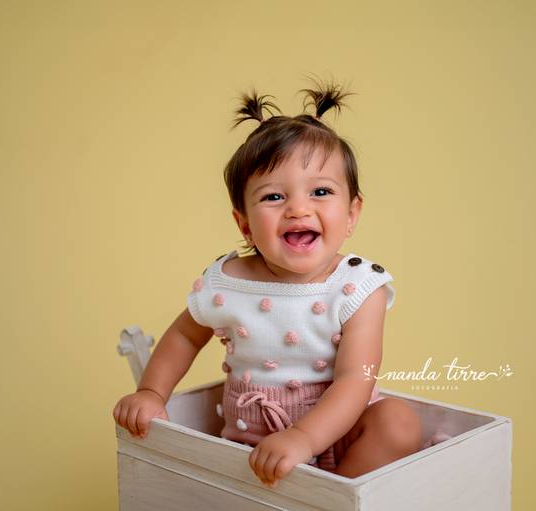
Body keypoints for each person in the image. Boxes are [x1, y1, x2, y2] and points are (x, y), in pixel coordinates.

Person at [113, 76, 423, 488]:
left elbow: (355, 379)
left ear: (351, 214)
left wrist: (303, 437)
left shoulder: (358, 287)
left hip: (342, 433)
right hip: (254, 441)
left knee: (398, 421)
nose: (298, 209)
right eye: (274, 197)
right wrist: (152, 393)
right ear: (244, 224)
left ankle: (335, 499)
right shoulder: (228, 282)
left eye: (320, 192)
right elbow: (184, 336)